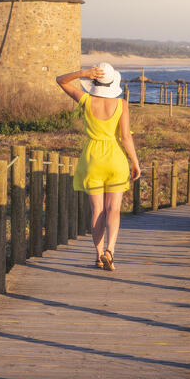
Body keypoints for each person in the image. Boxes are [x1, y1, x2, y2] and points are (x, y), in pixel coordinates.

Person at [56, 62, 140, 271]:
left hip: (92, 159)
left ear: (93, 81)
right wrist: (135, 162)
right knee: (114, 209)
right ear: (113, 83)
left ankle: (98, 253)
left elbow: (60, 80)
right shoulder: (121, 104)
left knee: (97, 211)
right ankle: (110, 250)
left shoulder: (85, 99)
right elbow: (126, 137)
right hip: (115, 159)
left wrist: (83, 73)